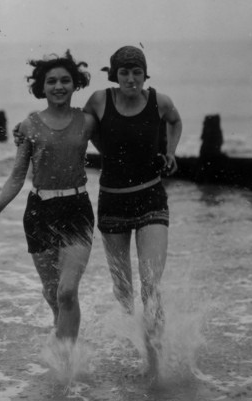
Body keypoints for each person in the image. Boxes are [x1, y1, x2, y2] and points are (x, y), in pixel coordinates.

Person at [0, 50, 97, 344]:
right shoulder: (30, 126)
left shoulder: (88, 121)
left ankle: (68, 359)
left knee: (67, 291)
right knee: (53, 292)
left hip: (76, 208)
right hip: (39, 212)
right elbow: (18, 174)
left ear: (75, 84)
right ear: (41, 87)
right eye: (52, 81)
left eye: (65, 81)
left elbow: (120, 139)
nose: (59, 86)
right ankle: (62, 335)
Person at [82, 45, 182, 379]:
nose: (131, 79)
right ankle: (130, 343)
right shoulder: (99, 101)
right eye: (124, 72)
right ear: (114, 75)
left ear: (144, 73)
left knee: (150, 286)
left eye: (136, 71)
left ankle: (155, 364)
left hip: (152, 200)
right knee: (124, 290)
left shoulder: (159, 102)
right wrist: (105, 150)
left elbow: (175, 121)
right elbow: (86, 130)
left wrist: (170, 151)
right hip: (112, 204)